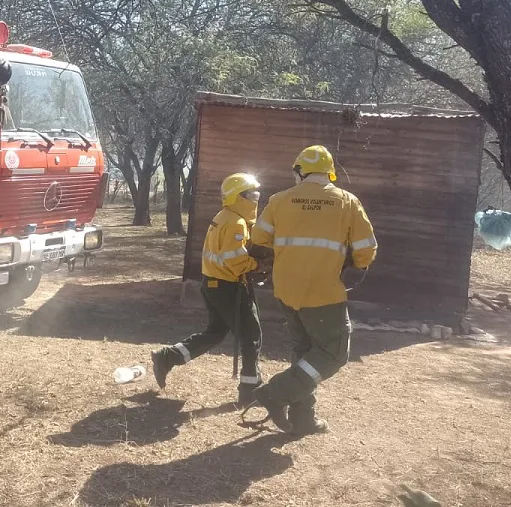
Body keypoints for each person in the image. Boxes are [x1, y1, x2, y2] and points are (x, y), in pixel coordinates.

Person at [248, 145, 377, 435]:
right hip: (323, 293)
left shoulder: (280, 200)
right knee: (334, 354)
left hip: (286, 290)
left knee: (304, 351)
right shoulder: (347, 202)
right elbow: (366, 250)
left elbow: (259, 236)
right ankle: (276, 393)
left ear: (298, 172)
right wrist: (354, 262)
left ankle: (303, 419)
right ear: (329, 172)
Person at [151, 172, 265, 407]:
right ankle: (250, 391)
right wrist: (259, 265)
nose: (256, 199)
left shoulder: (226, 216)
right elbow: (235, 260)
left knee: (216, 332)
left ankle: (168, 357)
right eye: (252, 194)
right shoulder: (236, 222)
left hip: (213, 285)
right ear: (238, 197)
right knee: (251, 337)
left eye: (257, 194)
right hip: (228, 288)